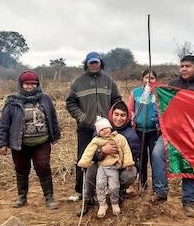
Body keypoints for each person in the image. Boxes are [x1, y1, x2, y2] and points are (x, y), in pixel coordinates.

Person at [0, 70, 61, 209]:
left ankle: (49, 198)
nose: (30, 87)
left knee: (43, 167)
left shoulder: (45, 99)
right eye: (26, 84)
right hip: (20, 143)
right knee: (21, 169)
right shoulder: (12, 101)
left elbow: (52, 117)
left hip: (42, 141)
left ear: (37, 84)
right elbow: (4, 123)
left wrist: (55, 134)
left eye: (33, 84)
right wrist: (2, 143)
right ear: (21, 85)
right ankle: (22, 197)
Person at [149, 55, 194, 217]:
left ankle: (189, 201)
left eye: (188, 66)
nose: (184, 69)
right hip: (170, 131)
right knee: (157, 154)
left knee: (189, 163)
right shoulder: (172, 85)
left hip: (193, 134)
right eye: (182, 66)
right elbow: (161, 105)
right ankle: (161, 191)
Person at [66, 52, 122, 202]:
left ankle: (106, 189)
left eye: (96, 62)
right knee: (83, 157)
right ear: (87, 64)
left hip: (105, 128)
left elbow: (117, 100)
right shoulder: (78, 82)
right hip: (85, 127)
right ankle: (79, 190)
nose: (94, 65)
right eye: (91, 63)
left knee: (106, 155)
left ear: (100, 63)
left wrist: (111, 118)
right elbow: (70, 103)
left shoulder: (109, 81)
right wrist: (82, 117)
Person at [78, 100, 139, 216]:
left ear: (127, 117)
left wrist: (123, 164)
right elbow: (91, 152)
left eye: (123, 115)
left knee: (130, 174)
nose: (119, 118)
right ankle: (88, 199)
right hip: (101, 164)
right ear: (111, 114)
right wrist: (102, 152)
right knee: (91, 170)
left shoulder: (131, 135)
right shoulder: (101, 129)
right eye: (116, 114)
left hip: (119, 166)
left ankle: (117, 193)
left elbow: (133, 157)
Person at [127, 69, 158, 190]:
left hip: (155, 131)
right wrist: (133, 119)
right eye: (146, 77)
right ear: (142, 79)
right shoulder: (136, 92)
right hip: (139, 131)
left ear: (156, 80)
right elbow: (130, 110)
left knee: (155, 158)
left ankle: (157, 186)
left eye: (152, 78)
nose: (149, 80)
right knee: (142, 157)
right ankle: (143, 184)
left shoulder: (158, 93)